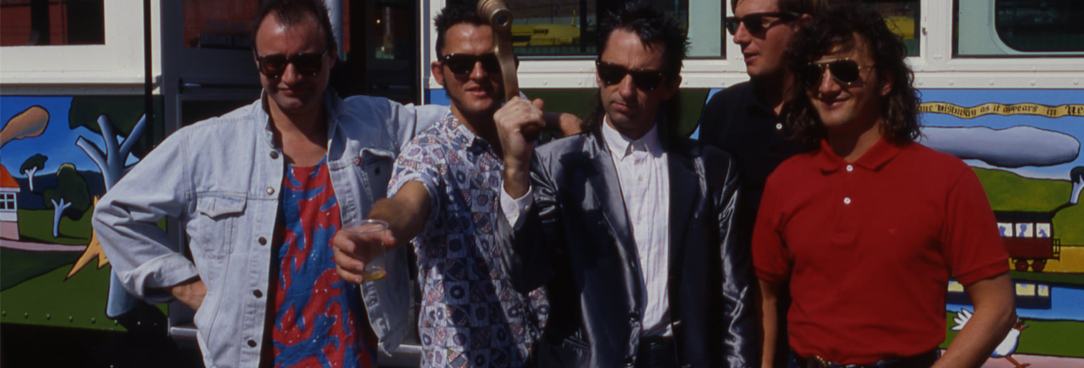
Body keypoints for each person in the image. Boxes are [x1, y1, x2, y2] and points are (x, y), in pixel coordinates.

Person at [92, 1, 450, 367]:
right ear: (257, 61)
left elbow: (459, 123)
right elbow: (114, 214)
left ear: (331, 58)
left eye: (307, 62)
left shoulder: (377, 124)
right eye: (274, 64)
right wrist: (190, 288)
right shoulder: (207, 145)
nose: (291, 76)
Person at [753, 4, 1016, 368]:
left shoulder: (948, 180)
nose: (827, 87)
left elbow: (998, 306)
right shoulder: (785, 182)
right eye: (813, 75)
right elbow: (765, 295)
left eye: (845, 71)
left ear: (887, 80)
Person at [494, 3, 755, 367]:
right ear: (598, 74)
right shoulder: (557, 165)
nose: (626, 90)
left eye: (645, 79)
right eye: (613, 72)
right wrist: (515, 169)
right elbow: (523, 273)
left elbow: (735, 299)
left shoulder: (710, 170)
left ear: (670, 85)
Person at [330, 5, 579, 367]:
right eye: (460, 64)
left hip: (540, 352)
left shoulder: (529, 136)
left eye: (490, 62)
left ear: (510, 67)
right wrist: (377, 229)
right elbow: (406, 203)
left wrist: (566, 121)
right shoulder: (430, 152)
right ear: (439, 72)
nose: (477, 74)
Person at [697, 2, 826, 365]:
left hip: (821, 324)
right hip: (744, 323)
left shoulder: (833, 107)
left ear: (801, 26)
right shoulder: (722, 110)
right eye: (733, 24)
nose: (739, 38)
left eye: (755, 24)